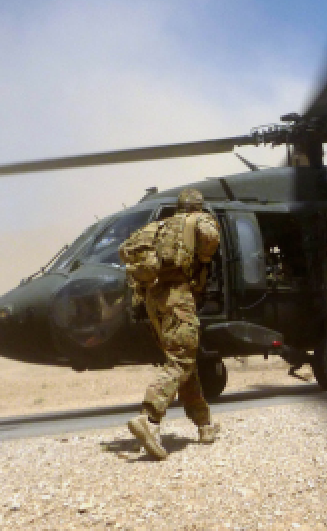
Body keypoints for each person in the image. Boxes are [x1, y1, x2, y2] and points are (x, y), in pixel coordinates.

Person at [124, 188, 222, 460]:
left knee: (183, 358)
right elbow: (211, 237)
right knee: (181, 360)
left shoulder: (158, 226)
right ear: (197, 207)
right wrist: (203, 257)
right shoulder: (196, 221)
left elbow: (127, 250)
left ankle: (204, 424)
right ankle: (149, 419)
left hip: (153, 298)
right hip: (178, 294)